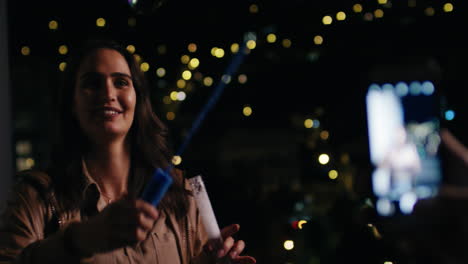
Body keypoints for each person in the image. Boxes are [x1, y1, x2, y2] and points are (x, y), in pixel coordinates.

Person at [0, 39, 256, 264]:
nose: (108, 93)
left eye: (121, 82)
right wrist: (81, 239)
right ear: (72, 104)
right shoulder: (36, 197)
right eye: (92, 84)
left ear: (138, 99)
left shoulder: (180, 195)